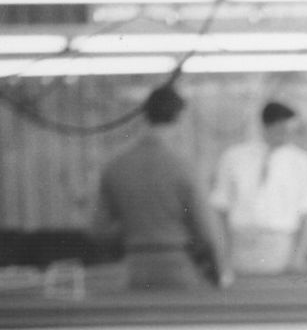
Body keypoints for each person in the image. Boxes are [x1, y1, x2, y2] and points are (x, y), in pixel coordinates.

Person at [92, 85, 230, 290]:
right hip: (178, 268)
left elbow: (98, 230)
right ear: (179, 118)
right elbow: (207, 231)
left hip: (133, 269)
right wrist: (219, 274)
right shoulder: (183, 167)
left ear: (145, 116)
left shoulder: (114, 166)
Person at [209, 100, 307, 275]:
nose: (288, 136)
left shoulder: (301, 161)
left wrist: (299, 256)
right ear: (267, 126)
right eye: (283, 130)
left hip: (280, 246)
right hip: (240, 244)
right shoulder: (233, 157)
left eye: (293, 131)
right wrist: (222, 253)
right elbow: (220, 207)